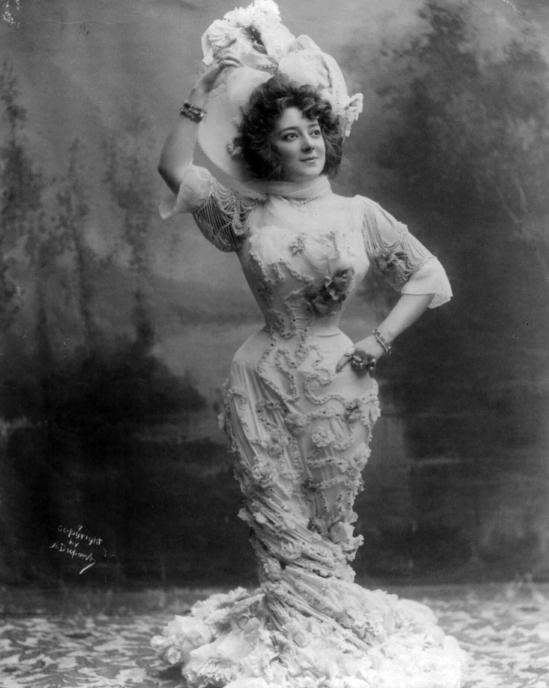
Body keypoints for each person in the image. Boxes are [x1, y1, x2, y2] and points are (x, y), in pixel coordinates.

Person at [152, 3, 467, 687]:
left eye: (315, 131)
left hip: (336, 381)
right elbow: (173, 167)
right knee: (277, 523)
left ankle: (327, 644)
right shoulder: (246, 213)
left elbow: (427, 276)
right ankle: (286, 641)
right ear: (268, 150)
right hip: (259, 380)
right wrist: (201, 92)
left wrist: (378, 339)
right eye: (290, 136)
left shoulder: (359, 214)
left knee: (325, 527)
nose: (308, 144)